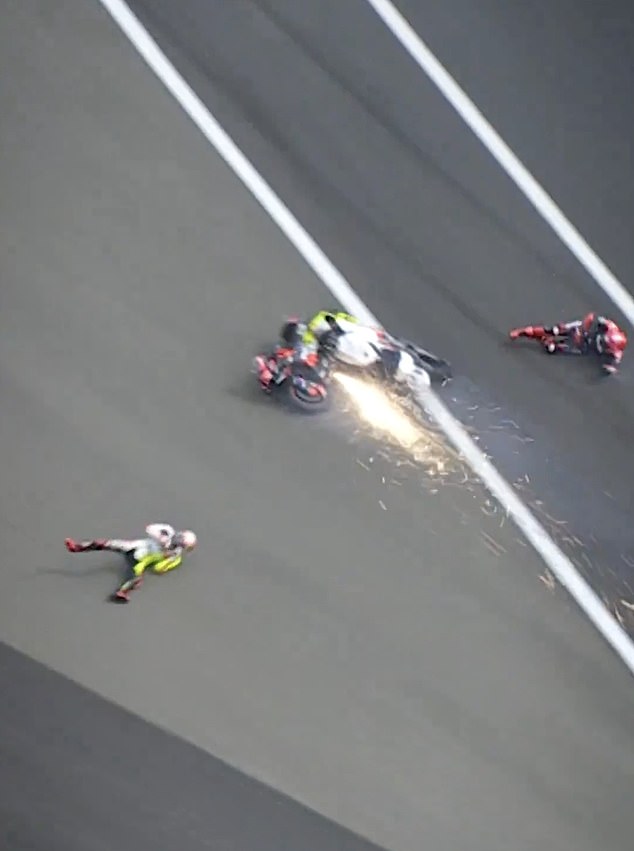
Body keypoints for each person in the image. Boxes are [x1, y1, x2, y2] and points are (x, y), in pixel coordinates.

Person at [64, 523, 198, 602]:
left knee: (136, 578)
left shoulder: (175, 556)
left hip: (139, 560)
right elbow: (149, 528)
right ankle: (77, 547)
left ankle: (122, 592)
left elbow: (159, 569)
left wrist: (164, 556)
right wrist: (161, 538)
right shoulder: (167, 531)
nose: (178, 544)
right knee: (104, 543)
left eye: (182, 545)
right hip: (133, 546)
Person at [510, 312, 627, 373]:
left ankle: (543, 340)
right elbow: (590, 317)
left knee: (551, 349)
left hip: (583, 347)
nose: (602, 342)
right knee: (554, 330)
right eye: (604, 339)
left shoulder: (616, 353)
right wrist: (582, 332)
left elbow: (612, 367)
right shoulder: (608, 326)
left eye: (606, 344)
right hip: (579, 330)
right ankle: (523, 332)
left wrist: (609, 368)